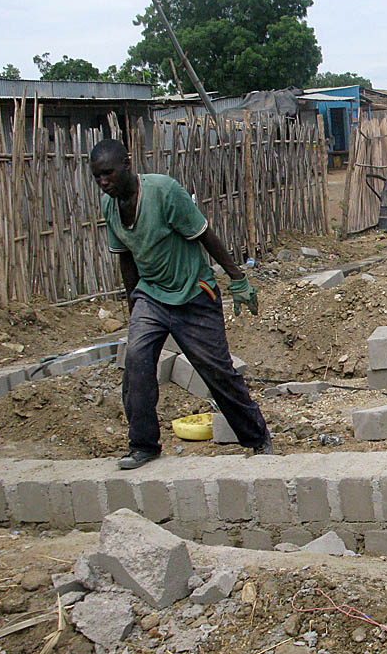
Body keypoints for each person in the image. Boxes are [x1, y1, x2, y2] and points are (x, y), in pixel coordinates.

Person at [90, 138, 272, 469]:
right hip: (151, 295)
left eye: (108, 174)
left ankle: (257, 437)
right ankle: (143, 445)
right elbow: (126, 260)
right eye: (97, 177)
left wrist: (237, 278)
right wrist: (135, 311)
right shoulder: (109, 206)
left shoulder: (164, 192)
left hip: (193, 294)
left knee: (216, 370)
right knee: (136, 360)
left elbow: (205, 235)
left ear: (126, 166)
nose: (103, 183)